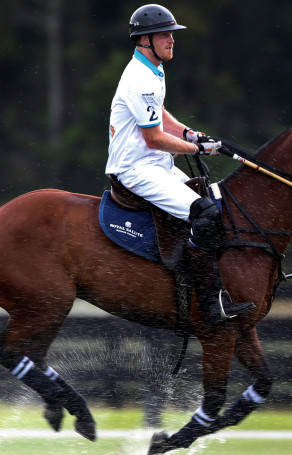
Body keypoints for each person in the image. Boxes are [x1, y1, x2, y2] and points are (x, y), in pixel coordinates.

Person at [106, 4, 255, 327]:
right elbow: (154, 138)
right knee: (207, 214)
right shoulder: (139, 78)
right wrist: (196, 147)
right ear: (144, 40)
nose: (172, 40)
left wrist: (188, 132)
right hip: (135, 169)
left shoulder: (153, 69)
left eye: (172, 35)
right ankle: (208, 304)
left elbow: (160, 113)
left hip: (155, 164)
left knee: (214, 203)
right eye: (165, 35)